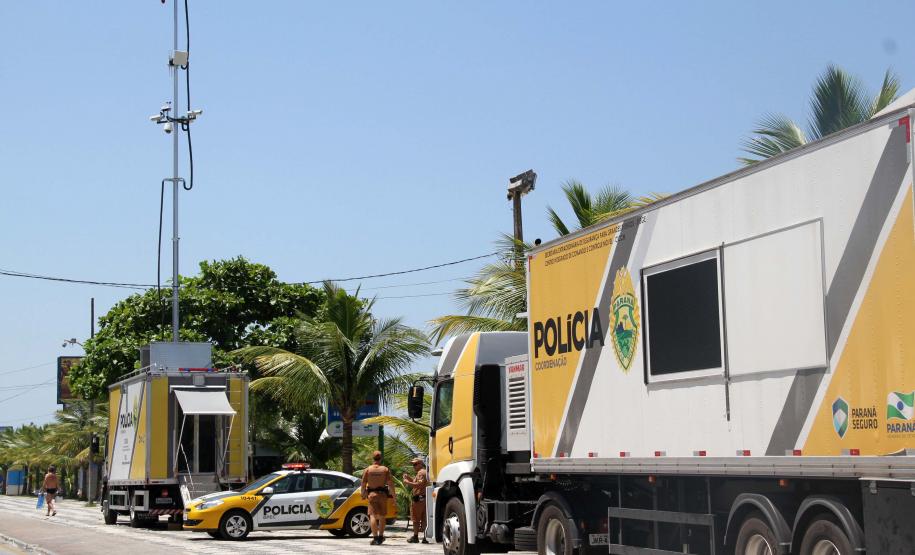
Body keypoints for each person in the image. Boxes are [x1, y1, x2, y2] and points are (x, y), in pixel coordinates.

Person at [361, 450, 394, 545]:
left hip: (372, 495)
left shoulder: (368, 469)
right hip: (383, 495)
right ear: (381, 458)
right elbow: (390, 484)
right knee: (382, 516)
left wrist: (363, 494)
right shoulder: (385, 469)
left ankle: (375, 537)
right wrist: (394, 497)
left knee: (372, 516)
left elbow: (363, 484)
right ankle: (380, 537)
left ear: (373, 458)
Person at [402, 457, 429, 543]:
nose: (414, 466)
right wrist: (409, 478)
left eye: (415, 464)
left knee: (415, 519)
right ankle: (425, 537)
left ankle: (415, 537)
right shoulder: (423, 472)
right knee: (424, 519)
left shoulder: (421, 472)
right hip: (425, 499)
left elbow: (419, 485)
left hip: (418, 500)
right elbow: (416, 482)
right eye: (413, 464)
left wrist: (407, 482)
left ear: (421, 464)